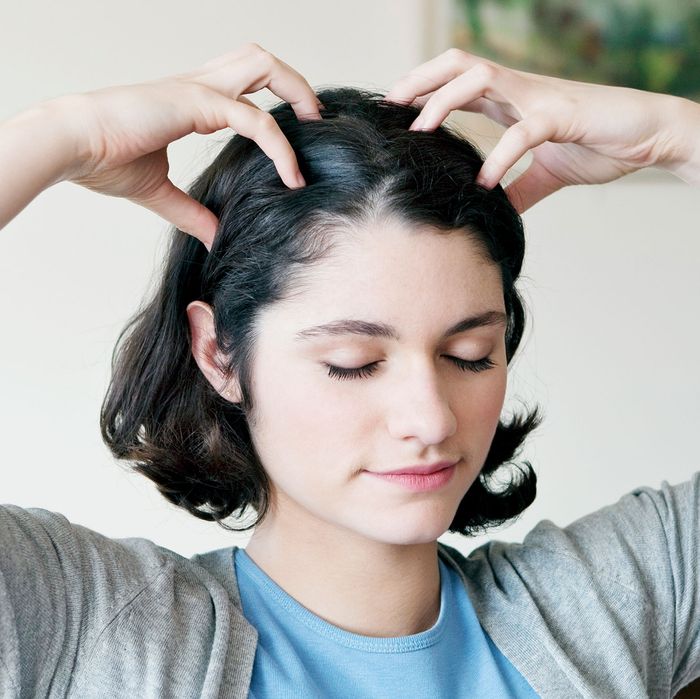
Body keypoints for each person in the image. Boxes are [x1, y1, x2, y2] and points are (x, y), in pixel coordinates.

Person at [0, 42, 698, 698]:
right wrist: (60, 133)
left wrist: (672, 131)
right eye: (353, 363)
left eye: (470, 355)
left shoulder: (612, 602)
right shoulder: (86, 622)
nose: (430, 418)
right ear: (218, 353)